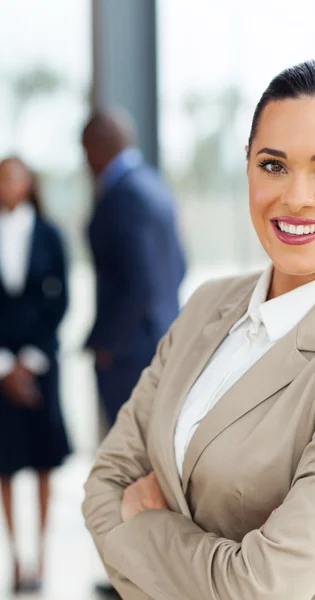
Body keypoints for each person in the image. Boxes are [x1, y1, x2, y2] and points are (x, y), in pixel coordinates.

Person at [82, 61, 315, 600]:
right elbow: (101, 488)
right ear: (248, 167)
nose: (297, 197)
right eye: (273, 165)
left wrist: (138, 526)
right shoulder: (209, 304)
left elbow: (259, 588)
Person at [82, 110, 186, 429]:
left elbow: (141, 282)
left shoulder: (122, 195)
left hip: (129, 355)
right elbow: (180, 265)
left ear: (96, 148)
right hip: (161, 340)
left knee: (130, 462)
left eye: (85, 150)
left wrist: (111, 345)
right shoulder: (155, 185)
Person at [0, 157, 70, 593]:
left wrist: (28, 361)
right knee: (4, 464)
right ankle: (15, 559)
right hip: (0, 369)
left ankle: (41, 559)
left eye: (15, 176)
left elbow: (60, 301)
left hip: (41, 364)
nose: (8, 184)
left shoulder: (49, 234)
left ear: (29, 183)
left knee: (44, 461)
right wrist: (5, 367)